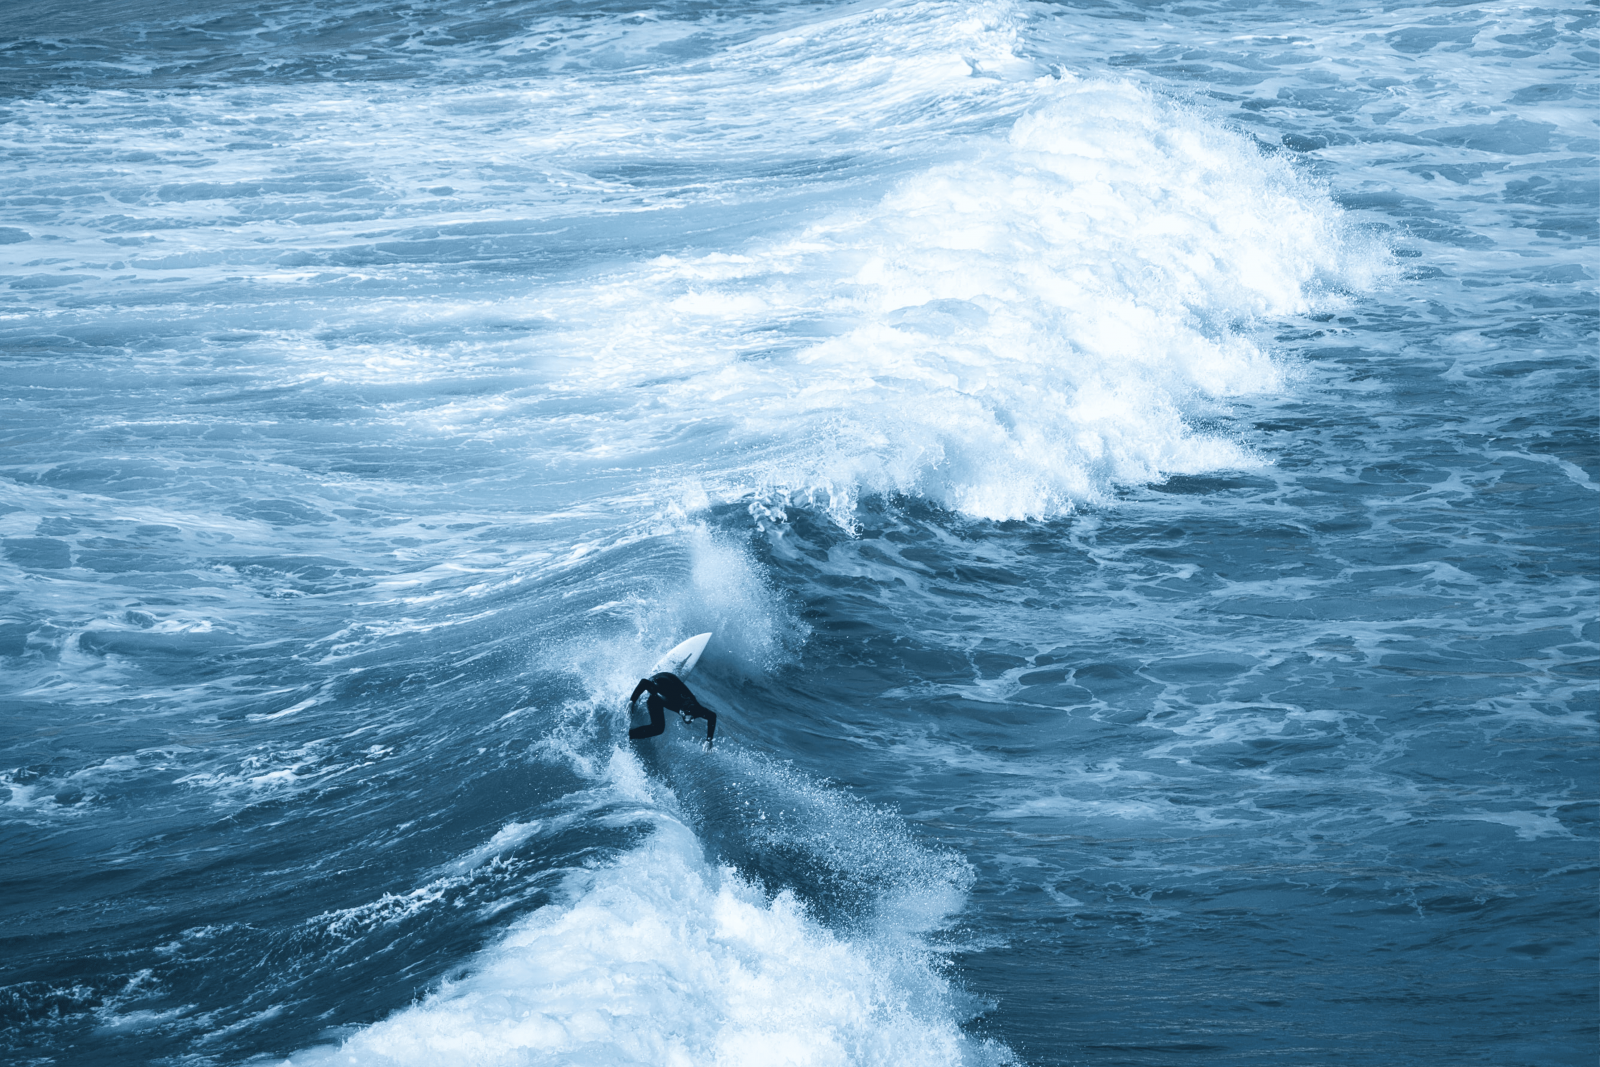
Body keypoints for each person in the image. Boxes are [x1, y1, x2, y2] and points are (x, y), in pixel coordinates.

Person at [628, 671, 716, 745]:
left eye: (690, 718)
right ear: (682, 711)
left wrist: (709, 740)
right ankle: (629, 735)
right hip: (659, 681)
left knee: (658, 729)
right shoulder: (668, 698)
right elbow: (644, 682)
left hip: (672, 681)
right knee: (658, 725)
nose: (687, 717)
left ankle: (632, 735)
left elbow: (712, 716)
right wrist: (632, 701)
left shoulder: (696, 709)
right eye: (685, 714)